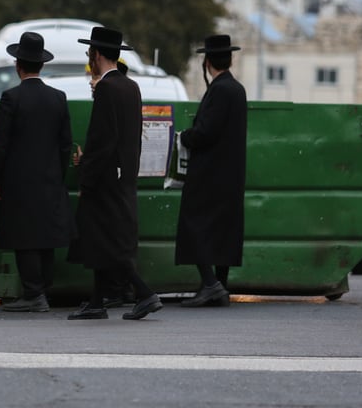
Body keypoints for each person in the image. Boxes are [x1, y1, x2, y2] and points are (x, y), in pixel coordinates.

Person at [68, 26, 162, 322]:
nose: (89, 59)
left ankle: (144, 293)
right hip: (123, 176)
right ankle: (97, 301)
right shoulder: (130, 86)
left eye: (89, 54)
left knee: (106, 241)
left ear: (96, 55)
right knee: (102, 238)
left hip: (104, 179)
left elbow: (102, 139)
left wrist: (85, 171)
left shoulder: (107, 89)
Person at [0, 32, 74, 313]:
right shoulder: (58, 98)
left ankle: (33, 293)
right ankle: (43, 289)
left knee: (24, 239)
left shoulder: (11, 98)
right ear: (42, 65)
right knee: (45, 238)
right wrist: (58, 175)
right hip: (49, 180)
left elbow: (1, 143)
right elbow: (65, 144)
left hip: (19, 182)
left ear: (17, 65)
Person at [175, 34, 248, 308]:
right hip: (229, 175)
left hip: (210, 174)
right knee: (223, 230)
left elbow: (207, 132)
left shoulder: (219, 90)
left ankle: (210, 284)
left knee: (196, 225)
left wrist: (185, 137)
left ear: (207, 62)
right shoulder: (236, 89)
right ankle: (220, 283)